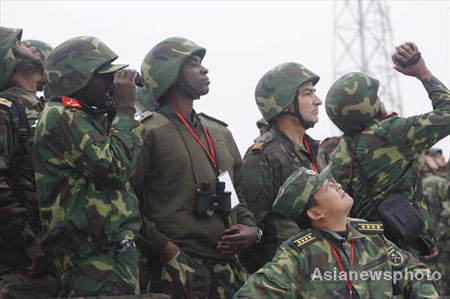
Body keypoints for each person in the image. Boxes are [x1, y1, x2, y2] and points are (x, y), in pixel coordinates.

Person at [133, 36, 258, 298]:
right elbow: (127, 201)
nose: (204, 69)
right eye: (193, 63)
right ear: (170, 73)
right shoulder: (147, 131)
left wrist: (251, 229)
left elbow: (238, 195)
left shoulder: (219, 132)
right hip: (177, 269)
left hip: (229, 269)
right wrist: (165, 246)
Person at [33, 35, 144, 296]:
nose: (111, 85)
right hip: (94, 259)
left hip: (108, 255)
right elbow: (116, 166)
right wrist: (126, 110)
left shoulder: (81, 116)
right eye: (104, 78)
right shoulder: (61, 114)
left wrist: (117, 110)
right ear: (77, 80)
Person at [234, 165, 439, 298]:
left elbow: (412, 271)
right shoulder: (299, 254)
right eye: (327, 187)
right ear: (315, 213)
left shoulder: (370, 237)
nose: (337, 185)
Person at [325, 42, 450, 258]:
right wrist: (423, 73)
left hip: (366, 253)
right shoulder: (390, 134)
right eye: (375, 97)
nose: (380, 100)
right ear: (365, 105)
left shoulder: (339, 153)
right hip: (404, 248)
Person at [240, 62, 324, 272]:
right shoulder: (262, 156)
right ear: (285, 103)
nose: (318, 100)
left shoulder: (315, 150)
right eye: (307, 94)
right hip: (288, 276)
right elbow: (254, 232)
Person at [0, 26, 57, 298]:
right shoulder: (5, 110)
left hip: (55, 251)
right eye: (17, 44)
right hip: (22, 260)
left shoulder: (47, 110)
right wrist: (29, 241)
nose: (29, 46)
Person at [420, 150, 450, 295]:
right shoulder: (440, 183)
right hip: (442, 246)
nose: (442, 158)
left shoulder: (413, 183)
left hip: (425, 247)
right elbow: (447, 214)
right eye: (436, 157)